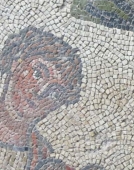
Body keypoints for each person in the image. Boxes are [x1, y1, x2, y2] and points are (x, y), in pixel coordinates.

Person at [0, 27, 82, 170]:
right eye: (38, 74)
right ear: (16, 63)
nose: (41, 92)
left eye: (55, 92)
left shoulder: (44, 161)